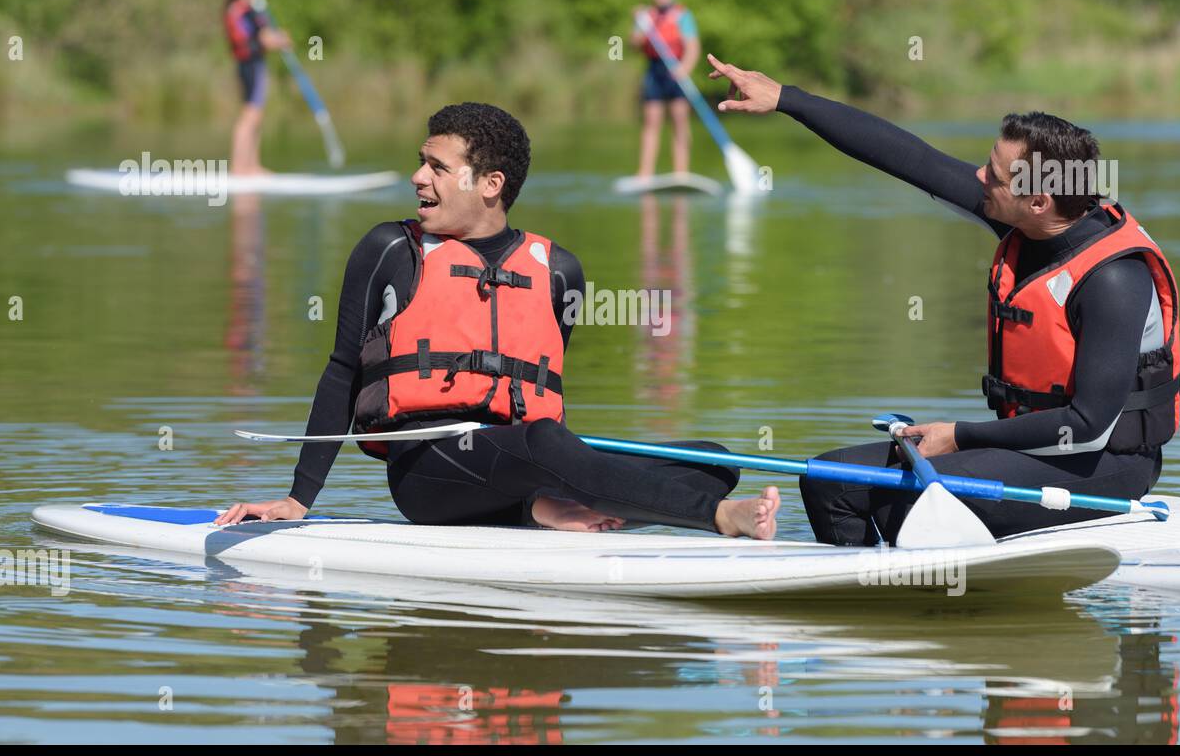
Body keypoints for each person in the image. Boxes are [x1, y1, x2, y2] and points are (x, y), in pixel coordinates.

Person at [220, 102, 779, 537]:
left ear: (490, 184)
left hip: (522, 453)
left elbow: (541, 379)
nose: (417, 177)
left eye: (438, 167)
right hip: (428, 472)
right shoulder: (391, 249)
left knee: (712, 458)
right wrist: (299, 498)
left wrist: (560, 468)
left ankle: (545, 509)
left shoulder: (558, 271)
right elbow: (343, 368)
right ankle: (717, 517)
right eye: (422, 161)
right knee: (544, 441)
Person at [705, 54, 1180, 545]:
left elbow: (1087, 425)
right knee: (830, 479)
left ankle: (914, 594)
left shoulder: (1114, 278)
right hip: (1029, 450)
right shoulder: (1026, 217)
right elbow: (910, 158)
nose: (978, 178)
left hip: (1102, 464)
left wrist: (959, 435)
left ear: (1038, 200)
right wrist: (787, 98)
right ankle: (854, 602)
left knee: (907, 504)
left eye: (993, 176)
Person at [631, 0, 701, 178]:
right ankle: (645, 172)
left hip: (677, 69)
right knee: (651, 121)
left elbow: (693, 47)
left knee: (680, 120)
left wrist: (684, 69)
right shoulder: (646, 16)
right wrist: (638, 24)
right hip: (655, 70)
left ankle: (681, 171)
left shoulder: (682, 15)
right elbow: (635, 44)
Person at [223, 0, 292, 175]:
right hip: (249, 65)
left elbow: (262, 35)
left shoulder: (249, 11)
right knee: (250, 115)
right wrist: (279, 40)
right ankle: (239, 167)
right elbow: (258, 39)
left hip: (254, 63)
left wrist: (277, 38)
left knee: (256, 115)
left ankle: (251, 166)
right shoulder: (240, 11)